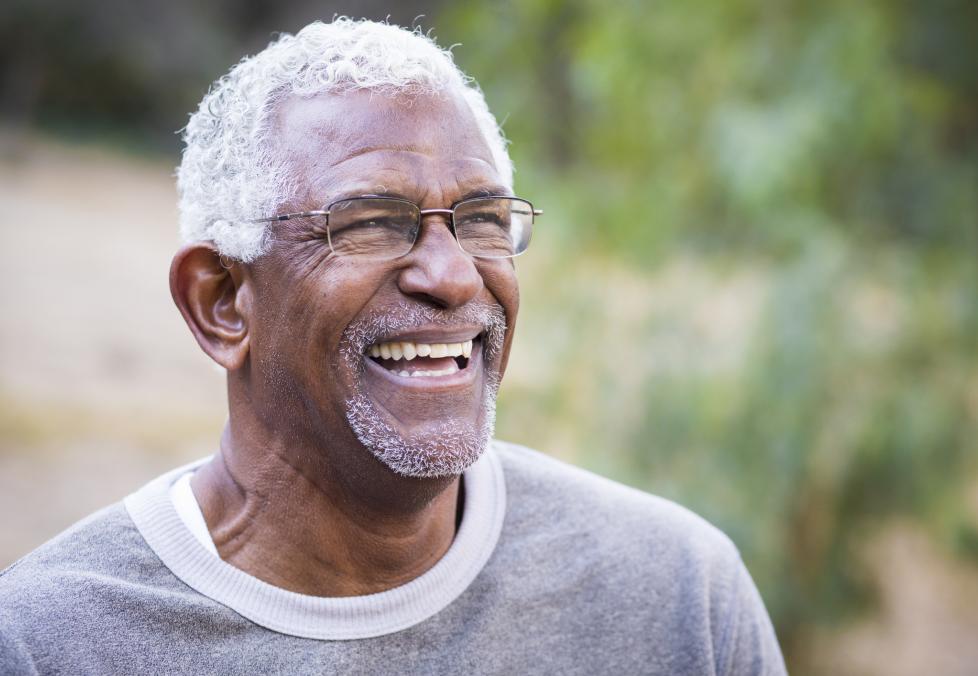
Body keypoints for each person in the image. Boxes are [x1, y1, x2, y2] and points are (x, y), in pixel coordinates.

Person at [0, 18, 786, 675]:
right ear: (223, 302)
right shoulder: (48, 644)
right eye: (370, 222)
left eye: (481, 219)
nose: (451, 277)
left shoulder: (677, 600)